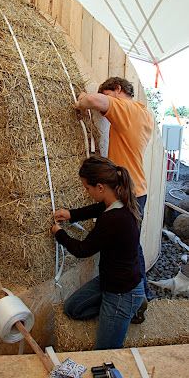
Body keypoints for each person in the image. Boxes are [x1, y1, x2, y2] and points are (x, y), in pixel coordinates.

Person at [75, 77, 154, 322]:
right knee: (131, 248)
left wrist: (80, 103)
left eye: (109, 94)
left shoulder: (127, 109)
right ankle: (141, 296)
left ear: (118, 90)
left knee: (131, 251)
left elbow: (90, 100)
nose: (107, 104)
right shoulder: (143, 113)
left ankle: (138, 301)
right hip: (137, 189)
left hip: (129, 192)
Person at [51, 156, 145, 350]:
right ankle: (119, 311)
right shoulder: (120, 200)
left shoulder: (113, 219)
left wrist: (59, 233)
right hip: (109, 280)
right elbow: (97, 208)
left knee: (104, 352)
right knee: (72, 309)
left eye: (87, 188)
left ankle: (130, 306)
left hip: (122, 291)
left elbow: (82, 250)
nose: (87, 192)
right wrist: (71, 214)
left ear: (100, 187)